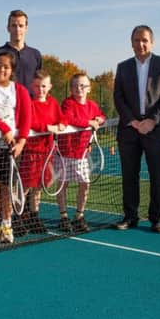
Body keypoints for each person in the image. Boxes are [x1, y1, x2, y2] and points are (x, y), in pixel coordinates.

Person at [113, 25, 160, 233]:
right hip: (129, 130)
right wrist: (133, 121)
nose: (141, 44)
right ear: (131, 43)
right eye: (137, 40)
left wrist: (152, 121)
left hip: (156, 130)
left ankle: (157, 218)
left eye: (145, 40)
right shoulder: (122, 67)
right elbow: (118, 97)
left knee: (156, 175)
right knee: (129, 175)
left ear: (152, 42)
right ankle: (130, 216)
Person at [0, 52, 32, 243]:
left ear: (12, 71)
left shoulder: (20, 91)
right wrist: (4, 129)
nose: (1, 69)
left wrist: (21, 142)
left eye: (6, 67)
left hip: (12, 149)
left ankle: (7, 224)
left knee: (7, 188)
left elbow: (27, 118)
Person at [17, 70, 67, 235]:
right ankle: (16, 216)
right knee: (25, 186)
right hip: (31, 152)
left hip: (47, 152)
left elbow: (62, 118)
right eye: (37, 86)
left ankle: (34, 216)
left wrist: (61, 124)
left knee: (38, 186)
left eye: (44, 86)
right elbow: (30, 122)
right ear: (32, 86)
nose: (41, 90)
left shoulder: (53, 102)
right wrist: (48, 128)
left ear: (50, 86)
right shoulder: (29, 103)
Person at [57, 73, 105, 233]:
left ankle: (79, 216)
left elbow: (101, 116)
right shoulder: (68, 103)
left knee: (85, 184)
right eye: (76, 86)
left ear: (89, 88)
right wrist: (88, 122)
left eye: (83, 85)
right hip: (64, 153)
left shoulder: (92, 105)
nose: (80, 89)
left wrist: (99, 120)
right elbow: (69, 119)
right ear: (71, 89)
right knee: (62, 185)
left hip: (82, 154)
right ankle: (63, 217)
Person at [0, 9, 42, 95]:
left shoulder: (35, 55)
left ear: (26, 28)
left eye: (21, 26)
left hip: (30, 105)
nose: (17, 29)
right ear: (8, 28)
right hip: (4, 105)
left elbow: (40, 82)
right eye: (14, 25)